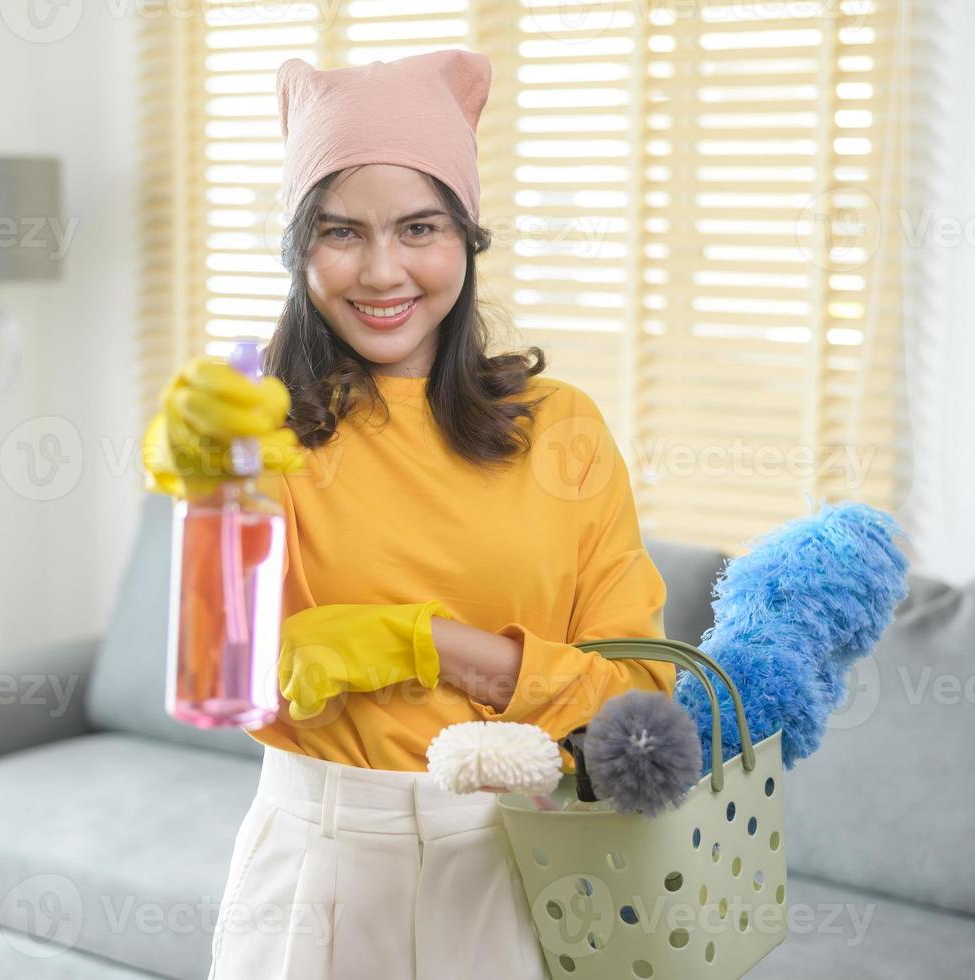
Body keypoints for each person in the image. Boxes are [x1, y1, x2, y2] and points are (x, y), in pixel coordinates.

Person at [142, 48, 674, 980]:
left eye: (418, 228)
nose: (381, 272)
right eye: (341, 232)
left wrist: (421, 641)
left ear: (466, 238)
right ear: (299, 249)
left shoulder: (562, 431)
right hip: (316, 866)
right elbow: (225, 680)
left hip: (523, 865)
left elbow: (638, 707)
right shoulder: (256, 423)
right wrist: (206, 489)